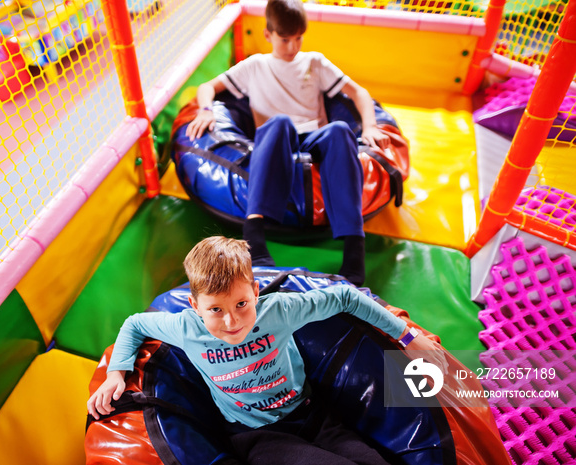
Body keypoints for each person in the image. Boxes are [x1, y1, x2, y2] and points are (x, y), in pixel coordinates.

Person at [87, 236, 441, 465]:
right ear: (195, 305)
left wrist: (409, 337)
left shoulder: (278, 310)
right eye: (215, 310)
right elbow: (134, 324)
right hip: (256, 437)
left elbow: (346, 297)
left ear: (256, 291)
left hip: (313, 416)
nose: (231, 322)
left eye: (242, 303)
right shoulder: (185, 328)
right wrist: (116, 373)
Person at [185, 0, 391, 287]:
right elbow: (208, 87)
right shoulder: (255, 66)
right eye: (285, 39)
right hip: (276, 141)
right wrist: (206, 110)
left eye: (298, 39)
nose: (293, 47)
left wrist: (369, 126)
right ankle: (254, 237)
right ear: (268, 35)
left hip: (313, 138)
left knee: (341, 129)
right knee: (279, 122)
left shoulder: (315, 62)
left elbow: (358, 92)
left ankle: (354, 249)